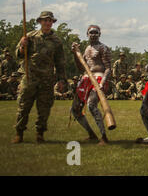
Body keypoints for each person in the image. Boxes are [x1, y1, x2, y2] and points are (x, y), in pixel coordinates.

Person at [12, 11, 66, 144]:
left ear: (52, 22)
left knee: (44, 108)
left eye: (50, 21)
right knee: (23, 106)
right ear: (40, 22)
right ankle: (19, 133)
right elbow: (18, 55)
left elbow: (60, 62)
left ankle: (40, 133)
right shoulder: (30, 36)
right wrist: (22, 45)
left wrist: (61, 79)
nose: (47, 23)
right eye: (44, 20)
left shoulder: (57, 41)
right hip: (30, 77)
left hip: (47, 79)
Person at [71, 25, 111, 145]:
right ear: (87, 34)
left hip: (99, 78)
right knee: (75, 109)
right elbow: (80, 67)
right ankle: (91, 134)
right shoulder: (86, 48)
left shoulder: (103, 48)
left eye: (95, 32)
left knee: (91, 105)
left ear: (99, 34)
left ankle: (103, 136)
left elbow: (108, 68)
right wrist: (75, 54)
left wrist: (103, 82)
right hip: (86, 79)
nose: (93, 34)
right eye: (91, 32)